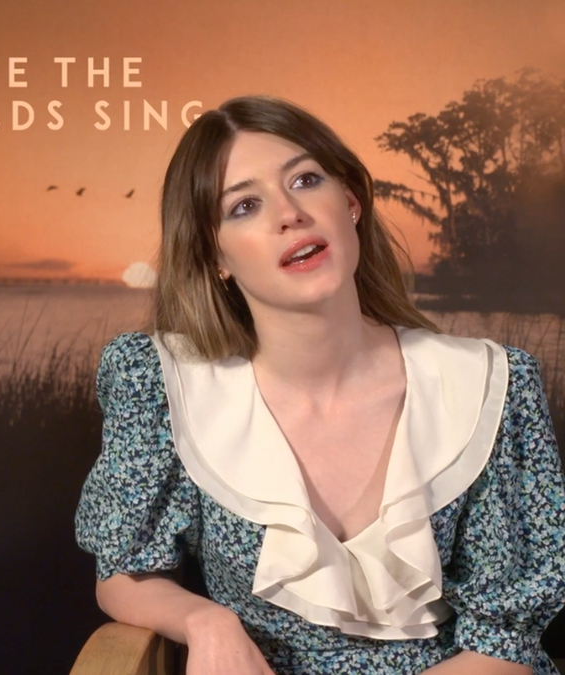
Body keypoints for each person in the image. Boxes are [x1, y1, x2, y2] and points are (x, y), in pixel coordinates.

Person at [75, 96, 565, 674]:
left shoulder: (490, 385)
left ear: (350, 203)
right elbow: (124, 574)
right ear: (215, 256)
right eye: (244, 206)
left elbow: (505, 645)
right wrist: (206, 622)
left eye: (305, 180)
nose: (290, 214)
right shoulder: (164, 385)